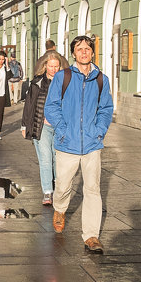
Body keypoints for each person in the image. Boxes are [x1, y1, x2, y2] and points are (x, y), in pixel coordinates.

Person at [43, 36, 114, 253]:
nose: (84, 52)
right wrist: (63, 130)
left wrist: (99, 131)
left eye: (87, 49)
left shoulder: (101, 79)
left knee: (92, 189)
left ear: (93, 52)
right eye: (79, 49)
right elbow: (51, 107)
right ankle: (60, 209)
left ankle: (91, 236)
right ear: (73, 53)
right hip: (67, 143)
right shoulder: (63, 77)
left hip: (92, 144)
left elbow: (106, 108)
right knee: (63, 186)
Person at [20, 50, 66, 205]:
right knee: (46, 159)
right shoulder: (37, 82)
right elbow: (29, 104)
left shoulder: (65, 82)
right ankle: (47, 192)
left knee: (56, 159)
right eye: (51, 66)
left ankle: (56, 186)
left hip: (60, 127)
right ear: (45, 66)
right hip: (42, 125)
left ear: (60, 67)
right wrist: (25, 124)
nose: (53, 69)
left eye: (56, 66)